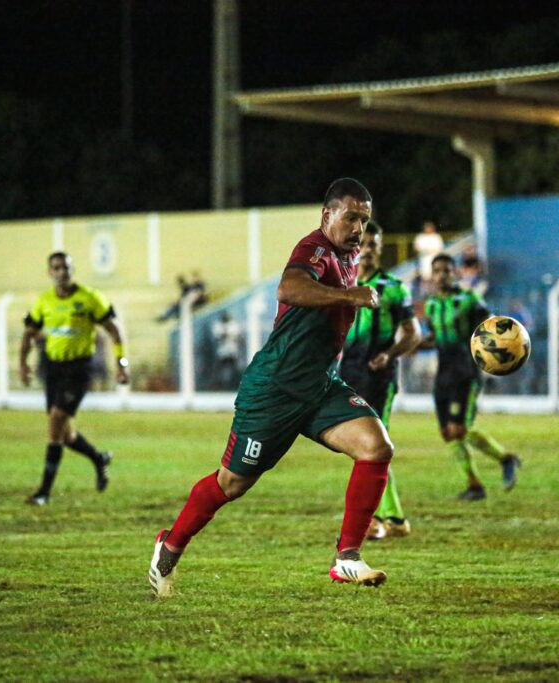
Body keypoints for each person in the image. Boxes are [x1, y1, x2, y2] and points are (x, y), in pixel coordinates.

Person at [148, 178, 391, 597]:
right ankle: (169, 547)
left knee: (376, 446)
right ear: (327, 215)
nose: (357, 229)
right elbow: (289, 288)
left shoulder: (349, 258)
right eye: (350, 218)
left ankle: (347, 557)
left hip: (319, 385)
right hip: (275, 388)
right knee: (232, 484)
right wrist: (348, 296)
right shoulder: (313, 248)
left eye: (364, 221)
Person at [20, 252, 130, 506]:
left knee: (56, 420)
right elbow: (29, 333)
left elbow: (114, 330)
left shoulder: (89, 298)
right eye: (56, 268)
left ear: (72, 269)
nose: (62, 272)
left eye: (66, 267)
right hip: (53, 369)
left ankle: (44, 492)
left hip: (79, 368)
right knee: (65, 435)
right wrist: (23, 364)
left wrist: (122, 363)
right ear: (50, 272)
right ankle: (98, 458)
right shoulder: (44, 301)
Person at [338, 223, 422, 540]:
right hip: (349, 372)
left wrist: (389, 354)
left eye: (375, 244)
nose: (369, 248)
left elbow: (414, 333)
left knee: (373, 445)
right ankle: (391, 518)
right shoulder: (342, 283)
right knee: (362, 446)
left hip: (380, 375)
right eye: (365, 243)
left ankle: (382, 518)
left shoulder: (394, 287)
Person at [422, 254, 521, 501]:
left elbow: (490, 331)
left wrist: (498, 355)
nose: (442, 275)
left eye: (447, 270)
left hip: (465, 371)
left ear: (455, 273)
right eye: (437, 271)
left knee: (460, 428)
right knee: (447, 432)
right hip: (443, 372)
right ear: (432, 275)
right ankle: (475, 485)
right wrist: (412, 345)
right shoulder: (431, 304)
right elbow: (435, 336)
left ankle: (505, 459)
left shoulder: (469, 299)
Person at [210, 311, 243, 389]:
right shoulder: (218, 325)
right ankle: (217, 384)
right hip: (222, 351)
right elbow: (218, 335)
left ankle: (238, 383)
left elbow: (236, 335)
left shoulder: (233, 325)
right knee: (218, 368)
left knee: (235, 367)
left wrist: (227, 334)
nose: (225, 318)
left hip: (232, 350)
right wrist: (226, 334)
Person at [413, 221, 444, 287]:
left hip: (434, 261)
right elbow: (416, 248)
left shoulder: (436, 237)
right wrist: (425, 250)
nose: (428, 229)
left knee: (435, 279)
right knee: (425, 279)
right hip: (424, 262)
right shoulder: (420, 237)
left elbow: (440, 249)